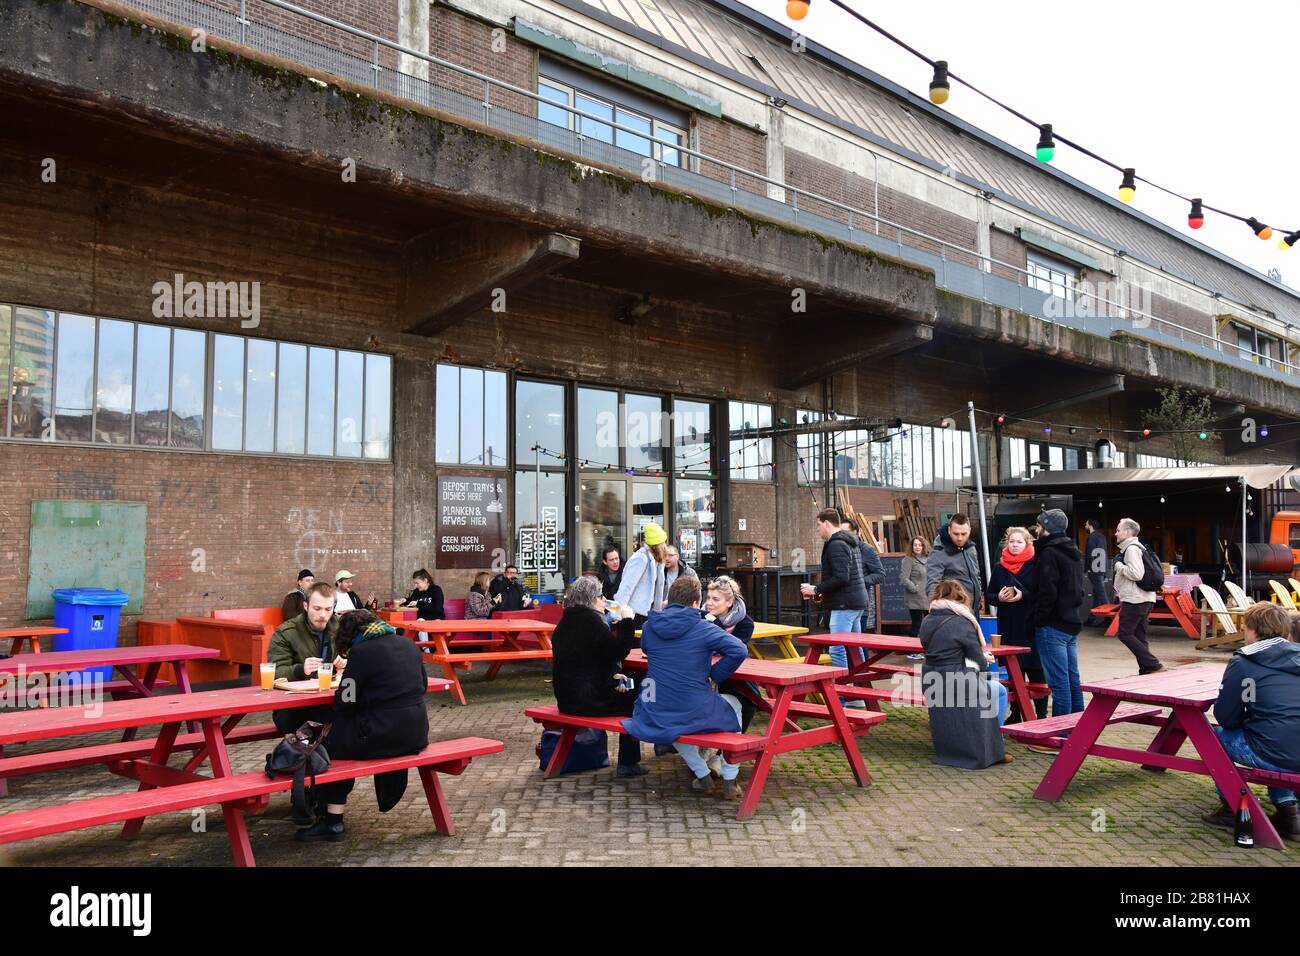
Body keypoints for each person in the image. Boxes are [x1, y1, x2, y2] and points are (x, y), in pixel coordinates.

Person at [293, 609, 430, 842]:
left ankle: (332, 821)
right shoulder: (408, 645)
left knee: (329, 738)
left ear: (350, 636)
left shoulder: (362, 651)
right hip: (416, 734)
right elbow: (423, 685)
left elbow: (346, 702)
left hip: (381, 736)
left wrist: (349, 679)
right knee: (340, 731)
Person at [623, 575, 748, 799]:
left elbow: (647, 648)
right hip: (693, 707)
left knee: (672, 725)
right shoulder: (703, 628)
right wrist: (715, 676)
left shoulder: (651, 626)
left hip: (656, 706)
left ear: (669, 600)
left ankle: (703, 775)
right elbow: (739, 650)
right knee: (736, 705)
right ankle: (730, 779)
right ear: (694, 603)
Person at [1202, 602, 1300, 839]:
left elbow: (1226, 716)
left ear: (1253, 630)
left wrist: (1250, 717)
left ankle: (1232, 805)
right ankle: (1289, 812)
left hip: (1274, 750)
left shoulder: (1245, 661)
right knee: (1276, 735)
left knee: (1212, 736)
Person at [550, 575, 644, 778]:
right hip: (589, 701)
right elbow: (619, 651)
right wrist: (628, 621)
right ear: (592, 599)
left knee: (627, 685)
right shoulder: (591, 622)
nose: (604, 601)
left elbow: (589, 659)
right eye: (601, 597)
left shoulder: (565, 623)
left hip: (567, 699)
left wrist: (612, 675)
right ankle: (629, 762)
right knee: (637, 697)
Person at [919, 580, 1010, 768]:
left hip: (931, 678)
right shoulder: (963, 622)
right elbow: (977, 661)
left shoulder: (927, 620)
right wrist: (987, 660)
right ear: (961, 598)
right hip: (957, 679)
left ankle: (953, 751)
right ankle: (995, 747)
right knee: (998, 690)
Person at [800, 508, 869, 706]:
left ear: (827, 523)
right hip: (855, 601)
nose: (818, 529)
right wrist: (822, 592)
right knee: (855, 650)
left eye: (818, 525)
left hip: (844, 604)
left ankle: (840, 698)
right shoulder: (849, 541)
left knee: (837, 649)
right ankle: (857, 694)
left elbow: (841, 576)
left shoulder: (836, 544)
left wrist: (816, 589)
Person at [984, 526, 1047, 721]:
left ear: (1027, 543)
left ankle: (1041, 714)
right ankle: (1016, 713)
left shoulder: (1035, 564)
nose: (1014, 545)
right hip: (1009, 625)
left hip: (1031, 625)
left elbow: (1042, 594)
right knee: (1014, 672)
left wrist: (1023, 595)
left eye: (1019, 542)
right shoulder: (999, 566)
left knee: (1036, 671)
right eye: (1012, 541)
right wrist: (999, 598)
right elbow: (990, 595)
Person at [267, 582, 345, 733]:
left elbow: (355, 659)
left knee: (354, 713)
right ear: (305, 606)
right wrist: (300, 670)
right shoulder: (286, 632)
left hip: (330, 701)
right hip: (294, 707)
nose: (323, 615)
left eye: (328, 609)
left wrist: (346, 663)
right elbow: (274, 673)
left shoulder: (341, 628)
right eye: (317, 608)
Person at [1031, 508, 1085, 717]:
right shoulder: (1073, 551)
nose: (1036, 529)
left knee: (1059, 683)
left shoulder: (1049, 553)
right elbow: (1078, 589)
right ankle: (1079, 732)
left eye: (1039, 525)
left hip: (1052, 625)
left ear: (1047, 529)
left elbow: (1047, 591)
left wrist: (1039, 620)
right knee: (1072, 681)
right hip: (1071, 622)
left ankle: (1061, 735)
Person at [703, 575, 757, 740]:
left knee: (750, 701)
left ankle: (725, 752)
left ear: (729, 602)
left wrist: (714, 623)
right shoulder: (701, 617)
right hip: (702, 671)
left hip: (730, 672)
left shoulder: (745, 623)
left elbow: (732, 649)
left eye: (715, 599)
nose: (709, 603)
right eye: (708, 598)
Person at [1112, 518, 1163, 675]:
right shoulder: (1138, 547)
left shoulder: (1132, 549)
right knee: (1139, 636)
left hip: (1135, 599)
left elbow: (1136, 573)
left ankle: (1153, 664)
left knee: (1125, 634)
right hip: (1144, 598)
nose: (1115, 533)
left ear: (1127, 532)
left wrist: (1119, 566)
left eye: (1118, 530)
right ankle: (1147, 669)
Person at [612, 522, 668, 627]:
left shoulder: (657, 560)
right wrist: (617, 613)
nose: (665, 545)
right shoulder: (641, 558)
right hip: (634, 614)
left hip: (648, 613)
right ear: (658, 544)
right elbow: (626, 587)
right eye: (663, 542)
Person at [926, 514, 982, 609]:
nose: (960, 538)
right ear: (949, 530)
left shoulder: (971, 549)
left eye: (964, 534)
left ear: (969, 531)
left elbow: (976, 576)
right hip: (953, 611)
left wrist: (978, 595)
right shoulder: (938, 553)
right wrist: (936, 610)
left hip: (973, 609)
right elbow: (933, 585)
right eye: (956, 534)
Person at [841, 518, 885, 631]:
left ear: (857, 532)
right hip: (841, 605)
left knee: (859, 643)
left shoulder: (867, 550)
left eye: (846, 532)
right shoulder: (839, 549)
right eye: (840, 532)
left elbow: (880, 574)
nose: (842, 535)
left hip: (860, 605)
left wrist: (859, 581)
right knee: (842, 643)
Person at [900, 537, 929, 656]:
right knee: (916, 624)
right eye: (915, 545)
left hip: (928, 597)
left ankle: (929, 649)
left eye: (920, 545)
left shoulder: (929, 559)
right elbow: (904, 578)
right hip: (915, 598)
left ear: (924, 546)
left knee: (930, 624)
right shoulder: (908, 560)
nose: (917, 547)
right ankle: (911, 651)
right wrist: (915, 588)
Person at [1083, 519, 1110, 625]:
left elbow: (1089, 554)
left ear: (1090, 525)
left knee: (1101, 595)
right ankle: (1092, 618)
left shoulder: (1091, 537)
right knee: (1097, 594)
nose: (1085, 526)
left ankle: (1109, 619)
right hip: (1102, 569)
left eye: (1086, 524)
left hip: (1094, 570)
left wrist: (1087, 569)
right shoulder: (1102, 537)